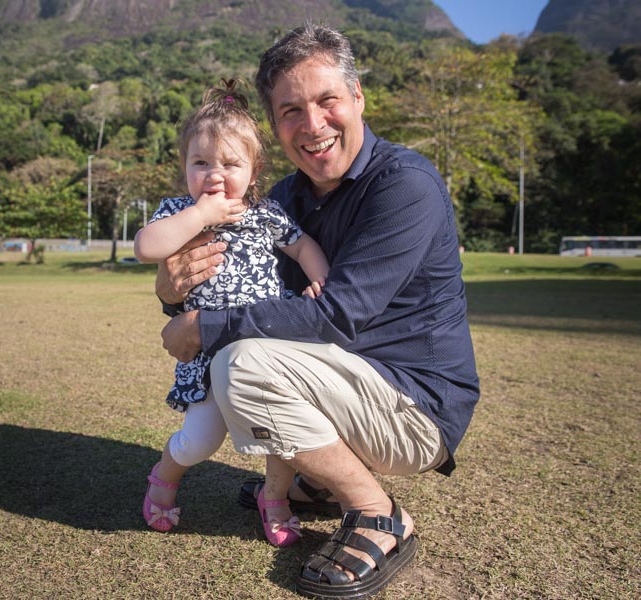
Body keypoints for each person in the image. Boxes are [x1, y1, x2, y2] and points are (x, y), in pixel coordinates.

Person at [156, 24, 480, 599]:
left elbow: (335, 317)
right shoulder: (282, 198)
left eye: (327, 100)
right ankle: (318, 482)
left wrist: (203, 328)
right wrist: (171, 291)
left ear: (358, 98)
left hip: (414, 406)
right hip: (347, 388)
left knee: (241, 363)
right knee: (244, 348)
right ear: (274, 127)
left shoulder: (404, 186)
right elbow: (232, 290)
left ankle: (378, 514)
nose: (312, 124)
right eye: (290, 111)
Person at [134, 79, 330, 547]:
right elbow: (146, 246)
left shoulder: (265, 213)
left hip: (267, 347)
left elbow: (302, 246)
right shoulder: (181, 210)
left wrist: (321, 276)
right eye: (200, 163)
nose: (215, 175)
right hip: (207, 352)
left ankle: (276, 499)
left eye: (230, 164)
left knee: (282, 438)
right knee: (201, 440)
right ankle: (164, 477)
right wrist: (200, 216)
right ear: (184, 167)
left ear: (254, 169)